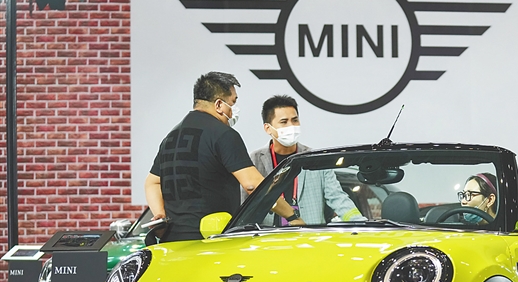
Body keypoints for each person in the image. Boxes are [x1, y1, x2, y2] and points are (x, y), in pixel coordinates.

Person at [145, 73, 303, 243]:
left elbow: (152, 183)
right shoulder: (224, 135)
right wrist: (292, 216)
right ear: (219, 105)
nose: (234, 109)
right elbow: (252, 184)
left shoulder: (171, 137)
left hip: (172, 242)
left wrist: (160, 214)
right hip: (212, 243)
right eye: (233, 102)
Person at [247, 95, 365, 225]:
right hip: (268, 235)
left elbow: (337, 197)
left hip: (309, 234)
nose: (291, 126)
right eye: (284, 122)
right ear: (268, 128)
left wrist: (359, 223)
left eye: (295, 120)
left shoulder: (316, 158)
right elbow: (245, 204)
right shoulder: (255, 160)